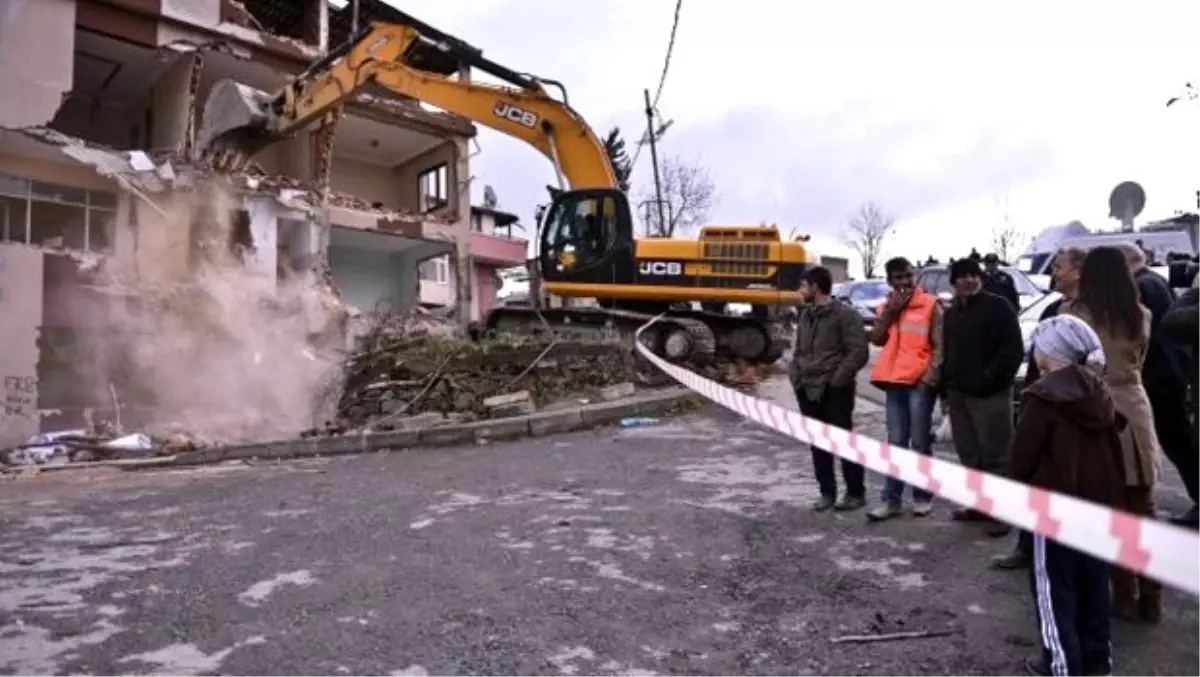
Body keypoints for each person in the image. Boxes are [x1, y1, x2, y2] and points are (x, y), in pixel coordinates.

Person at [1016, 315, 1126, 677]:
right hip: (1099, 509)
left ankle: (1061, 667)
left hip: (1054, 511)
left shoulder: (1042, 398)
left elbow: (1023, 458)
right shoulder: (1099, 391)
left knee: (1054, 595)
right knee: (1094, 587)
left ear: (1047, 353)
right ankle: (1097, 662)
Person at [1061, 245, 1163, 623]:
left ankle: (1122, 592)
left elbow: (1064, 364)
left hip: (1093, 406)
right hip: (1134, 405)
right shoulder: (1142, 314)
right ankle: (1151, 595)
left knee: (1109, 508)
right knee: (1142, 506)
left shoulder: (1073, 314)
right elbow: (1142, 358)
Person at [994, 246, 1087, 570]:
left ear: (1077, 271)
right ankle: (1027, 546)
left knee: (1072, 483)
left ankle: (1070, 553)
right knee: (1036, 477)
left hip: (1074, 413)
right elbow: (1037, 360)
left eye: (1059, 267)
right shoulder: (1052, 311)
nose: (1054, 273)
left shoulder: (1092, 314)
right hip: (1043, 404)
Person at [942, 258, 1024, 537]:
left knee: (997, 455)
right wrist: (947, 387)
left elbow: (1013, 350)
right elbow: (948, 353)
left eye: (974, 275)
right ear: (953, 282)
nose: (969, 280)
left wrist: (990, 379)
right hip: (959, 395)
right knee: (969, 454)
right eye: (962, 276)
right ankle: (979, 505)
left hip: (991, 396)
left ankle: (1005, 513)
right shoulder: (952, 314)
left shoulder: (998, 307)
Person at [1120, 243, 1200, 527]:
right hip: (1168, 374)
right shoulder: (1152, 281)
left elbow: (1164, 329)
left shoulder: (1144, 285)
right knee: (1178, 440)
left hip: (1161, 377)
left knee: (1177, 441)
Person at [865, 257, 944, 521]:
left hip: (919, 383)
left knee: (919, 441)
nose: (904, 282)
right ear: (889, 281)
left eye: (908, 276)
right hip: (893, 382)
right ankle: (892, 500)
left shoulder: (930, 305)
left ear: (915, 276)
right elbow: (876, 339)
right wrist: (890, 313)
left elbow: (939, 346)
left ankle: (922, 496)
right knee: (896, 442)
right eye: (898, 278)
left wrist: (929, 378)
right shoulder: (886, 306)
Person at [790, 266, 871, 511]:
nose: (800, 291)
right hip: (807, 389)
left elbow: (858, 352)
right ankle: (827, 492)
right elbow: (799, 351)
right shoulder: (806, 316)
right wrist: (796, 378)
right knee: (818, 443)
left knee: (843, 440)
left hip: (835, 390)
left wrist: (837, 380)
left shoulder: (845, 316)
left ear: (816, 287)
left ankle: (855, 493)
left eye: (804, 285)